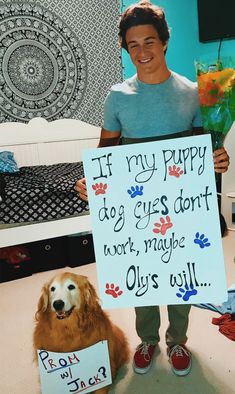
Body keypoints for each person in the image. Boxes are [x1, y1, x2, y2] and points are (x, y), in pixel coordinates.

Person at [75, 1, 230, 377]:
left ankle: (178, 341)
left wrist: (217, 158)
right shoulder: (117, 97)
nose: (142, 53)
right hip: (135, 204)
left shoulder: (193, 93)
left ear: (164, 42)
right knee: (140, 269)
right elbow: (105, 154)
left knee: (183, 273)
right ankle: (147, 339)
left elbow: (206, 147)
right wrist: (92, 182)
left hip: (182, 203)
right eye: (133, 45)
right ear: (125, 48)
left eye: (149, 42)